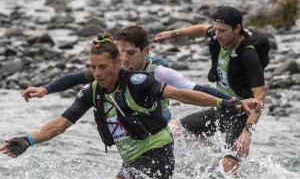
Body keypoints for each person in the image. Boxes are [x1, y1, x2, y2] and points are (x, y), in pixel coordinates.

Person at [0, 34, 259, 179]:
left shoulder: (139, 81)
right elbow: (60, 124)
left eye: (103, 67)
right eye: (93, 68)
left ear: (117, 63)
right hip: (132, 160)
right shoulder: (92, 91)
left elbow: (181, 94)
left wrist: (226, 103)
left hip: (157, 155)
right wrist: (29, 140)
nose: (98, 73)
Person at [21, 25, 232, 123]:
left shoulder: (160, 72)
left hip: (158, 123)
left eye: (131, 53)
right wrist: (45, 89)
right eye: (121, 53)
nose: (125, 59)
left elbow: (194, 90)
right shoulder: (115, 69)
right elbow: (77, 77)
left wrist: (233, 101)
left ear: (145, 52)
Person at [154, 6, 267, 173]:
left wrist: (247, 132)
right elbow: (201, 29)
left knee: (228, 166)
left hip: (240, 115)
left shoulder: (248, 55)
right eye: (216, 30)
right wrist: (173, 33)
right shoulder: (218, 36)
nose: (218, 35)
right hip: (222, 107)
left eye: (223, 30)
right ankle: (216, 155)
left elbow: (260, 95)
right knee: (175, 131)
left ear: (237, 29)